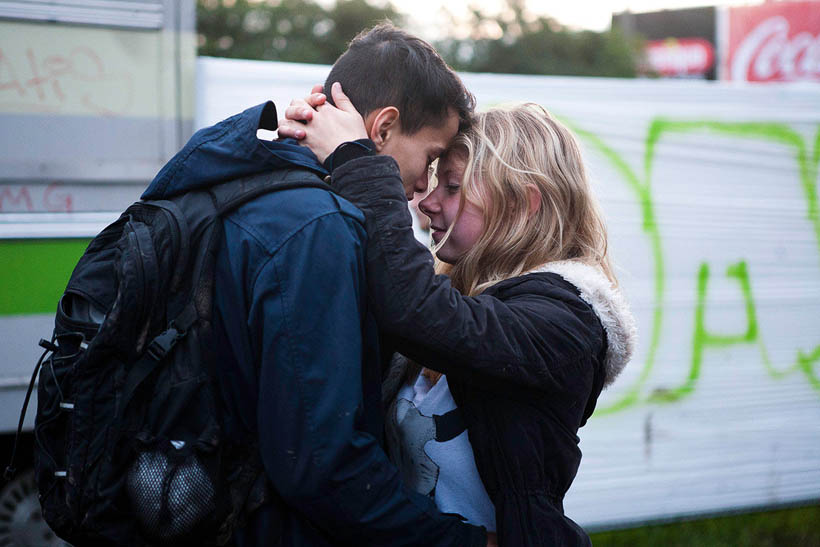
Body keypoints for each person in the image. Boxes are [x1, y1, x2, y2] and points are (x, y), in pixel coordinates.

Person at [140, 24, 492, 546]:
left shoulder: (248, 177)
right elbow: (321, 464)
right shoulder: (317, 227)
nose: (423, 188)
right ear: (383, 129)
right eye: (430, 157)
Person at [279, 90, 637, 545]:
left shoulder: (566, 322)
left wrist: (359, 161)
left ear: (524, 204)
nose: (426, 203)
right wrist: (317, 138)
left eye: (451, 186)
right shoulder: (458, 298)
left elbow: (415, 310)